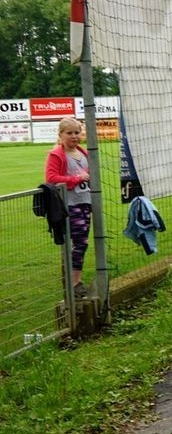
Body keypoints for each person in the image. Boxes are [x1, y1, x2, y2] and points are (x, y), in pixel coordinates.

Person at [44, 116, 92, 299]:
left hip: (85, 202)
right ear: (61, 134)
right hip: (68, 205)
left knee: (81, 243)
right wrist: (76, 179)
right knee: (80, 242)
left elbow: (90, 176)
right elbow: (51, 179)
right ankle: (74, 283)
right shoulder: (56, 155)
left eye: (77, 132)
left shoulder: (84, 153)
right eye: (69, 133)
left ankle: (74, 280)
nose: (74, 136)